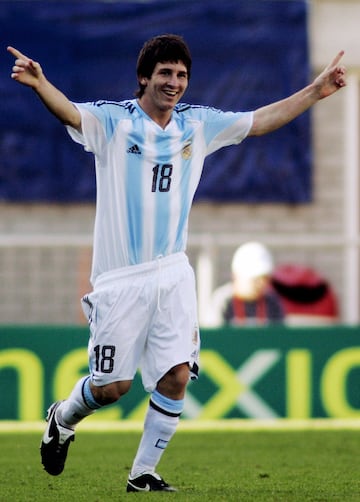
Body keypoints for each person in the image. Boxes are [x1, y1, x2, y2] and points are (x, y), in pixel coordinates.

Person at [7, 34, 346, 492]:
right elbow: (70, 112)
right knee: (111, 388)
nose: (174, 82)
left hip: (172, 272)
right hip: (120, 279)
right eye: (165, 73)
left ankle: (142, 473)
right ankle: (62, 418)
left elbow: (261, 120)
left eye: (181, 75)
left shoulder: (197, 125)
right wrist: (40, 83)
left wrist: (316, 91)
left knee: (176, 375)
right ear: (144, 77)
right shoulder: (115, 122)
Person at [207, 242, 284, 327]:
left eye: (264, 279)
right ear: (236, 276)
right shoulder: (222, 301)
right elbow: (215, 336)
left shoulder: (272, 302)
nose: (261, 284)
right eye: (255, 279)